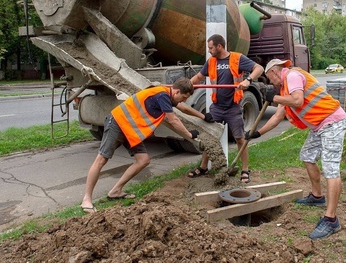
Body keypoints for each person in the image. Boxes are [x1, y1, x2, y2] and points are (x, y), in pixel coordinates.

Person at [246, 59, 346, 239]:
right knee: (307, 155)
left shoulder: (292, 76)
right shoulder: (285, 87)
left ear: (275, 72)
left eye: (270, 79)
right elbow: (277, 116)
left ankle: (331, 220)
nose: (270, 83)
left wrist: (273, 97)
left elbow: (298, 100)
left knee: (331, 168)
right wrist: (258, 133)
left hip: (332, 121)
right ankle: (317, 197)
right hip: (319, 126)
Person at [80, 77, 211, 213]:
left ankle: (115, 191)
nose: (183, 100)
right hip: (118, 124)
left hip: (130, 130)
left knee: (143, 160)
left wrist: (203, 116)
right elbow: (173, 120)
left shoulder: (169, 95)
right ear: (177, 91)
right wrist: (189, 135)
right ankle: (86, 200)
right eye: (183, 97)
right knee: (101, 160)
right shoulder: (162, 95)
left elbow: (183, 108)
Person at [188, 34, 264, 183]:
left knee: (240, 138)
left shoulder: (237, 58)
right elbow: (198, 78)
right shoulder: (211, 62)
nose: (209, 51)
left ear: (219, 46)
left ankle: (245, 170)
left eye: (211, 48)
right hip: (216, 107)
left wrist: (248, 80)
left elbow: (259, 68)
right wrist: (184, 87)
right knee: (209, 137)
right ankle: (203, 167)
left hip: (233, 107)